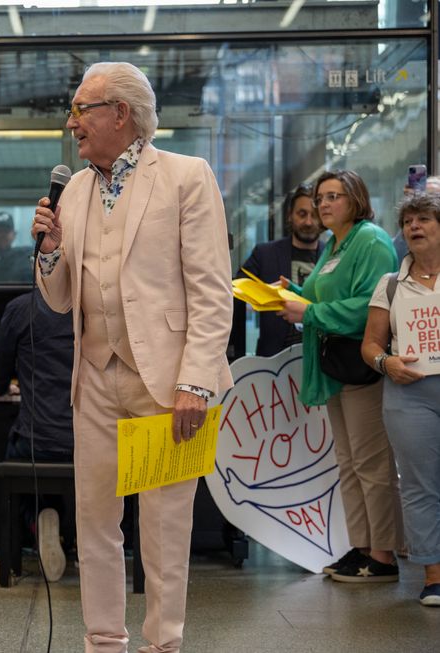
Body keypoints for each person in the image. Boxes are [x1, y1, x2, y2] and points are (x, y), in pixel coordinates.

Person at [31, 62, 233, 653]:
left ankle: (163, 643)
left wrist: (196, 382)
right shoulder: (73, 189)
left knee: (166, 526)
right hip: (93, 375)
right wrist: (50, 250)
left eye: (81, 109)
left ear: (120, 113)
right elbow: (60, 296)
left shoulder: (186, 176)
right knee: (95, 521)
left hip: (169, 381)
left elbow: (211, 290)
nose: (72, 124)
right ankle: (103, 640)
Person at [277, 170, 402, 583]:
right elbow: (322, 296)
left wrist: (307, 311)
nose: (323, 205)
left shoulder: (370, 239)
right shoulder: (335, 243)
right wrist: (292, 297)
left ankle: (383, 554)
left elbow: (370, 305)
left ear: (355, 199)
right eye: (320, 197)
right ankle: (361, 546)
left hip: (362, 366)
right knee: (349, 463)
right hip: (334, 365)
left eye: (334, 196)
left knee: (371, 463)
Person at [361, 192, 440, 606]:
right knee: (418, 484)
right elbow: (370, 344)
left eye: (424, 219)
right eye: (409, 221)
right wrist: (386, 363)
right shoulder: (390, 284)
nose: (414, 227)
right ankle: (433, 575)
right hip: (409, 394)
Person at [0, 287, 74, 581]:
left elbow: (0, 371)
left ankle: (38, 522)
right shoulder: (94, 307)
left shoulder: (22, 309)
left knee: (18, 450)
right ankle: (78, 538)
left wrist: (1, 387)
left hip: (40, 441)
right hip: (93, 440)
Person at [240, 183, 324, 357]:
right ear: (290, 216)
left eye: (314, 215)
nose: (308, 221)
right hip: (274, 359)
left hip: (321, 355)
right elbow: (236, 288)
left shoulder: (335, 257)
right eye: (302, 214)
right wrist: (264, 295)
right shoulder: (265, 254)